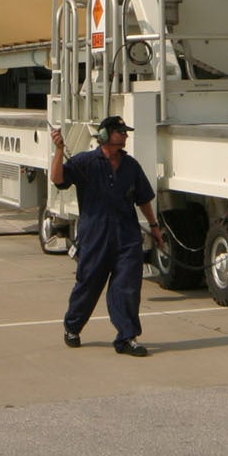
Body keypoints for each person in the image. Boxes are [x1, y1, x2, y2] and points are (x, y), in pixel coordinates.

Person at [49, 115, 163, 357]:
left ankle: (127, 337)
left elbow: (143, 199)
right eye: (120, 131)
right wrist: (59, 150)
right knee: (88, 285)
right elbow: (58, 179)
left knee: (127, 289)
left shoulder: (131, 166)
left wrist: (154, 227)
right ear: (104, 135)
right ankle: (72, 327)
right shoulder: (85, 162)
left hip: (127, 237)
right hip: (95, 237)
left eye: (125, 131)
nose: (125, 135)